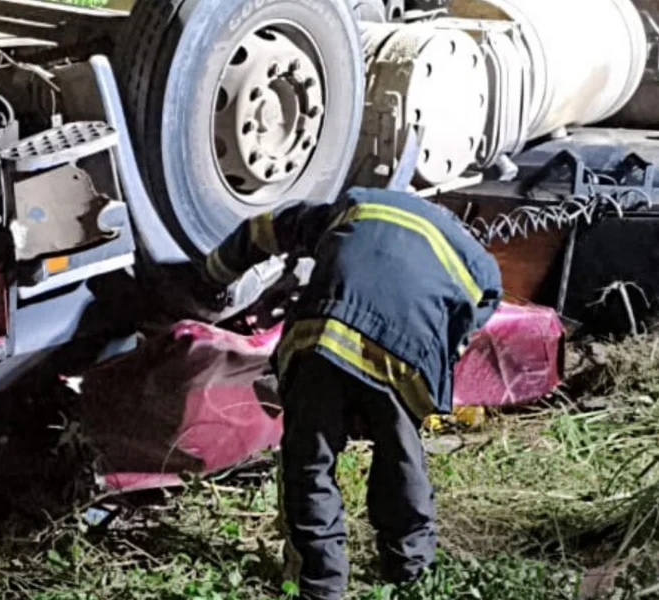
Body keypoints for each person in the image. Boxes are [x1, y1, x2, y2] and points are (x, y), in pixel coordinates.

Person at [200, 187, 502, 600]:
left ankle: (320, 586)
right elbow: (452, 338)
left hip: (324, 332)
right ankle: (411, 571)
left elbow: (268, 228)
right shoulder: (482, 270)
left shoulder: (360, 204)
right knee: (400, 458)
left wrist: (214, 273)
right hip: (402, 355)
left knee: (309, 462)